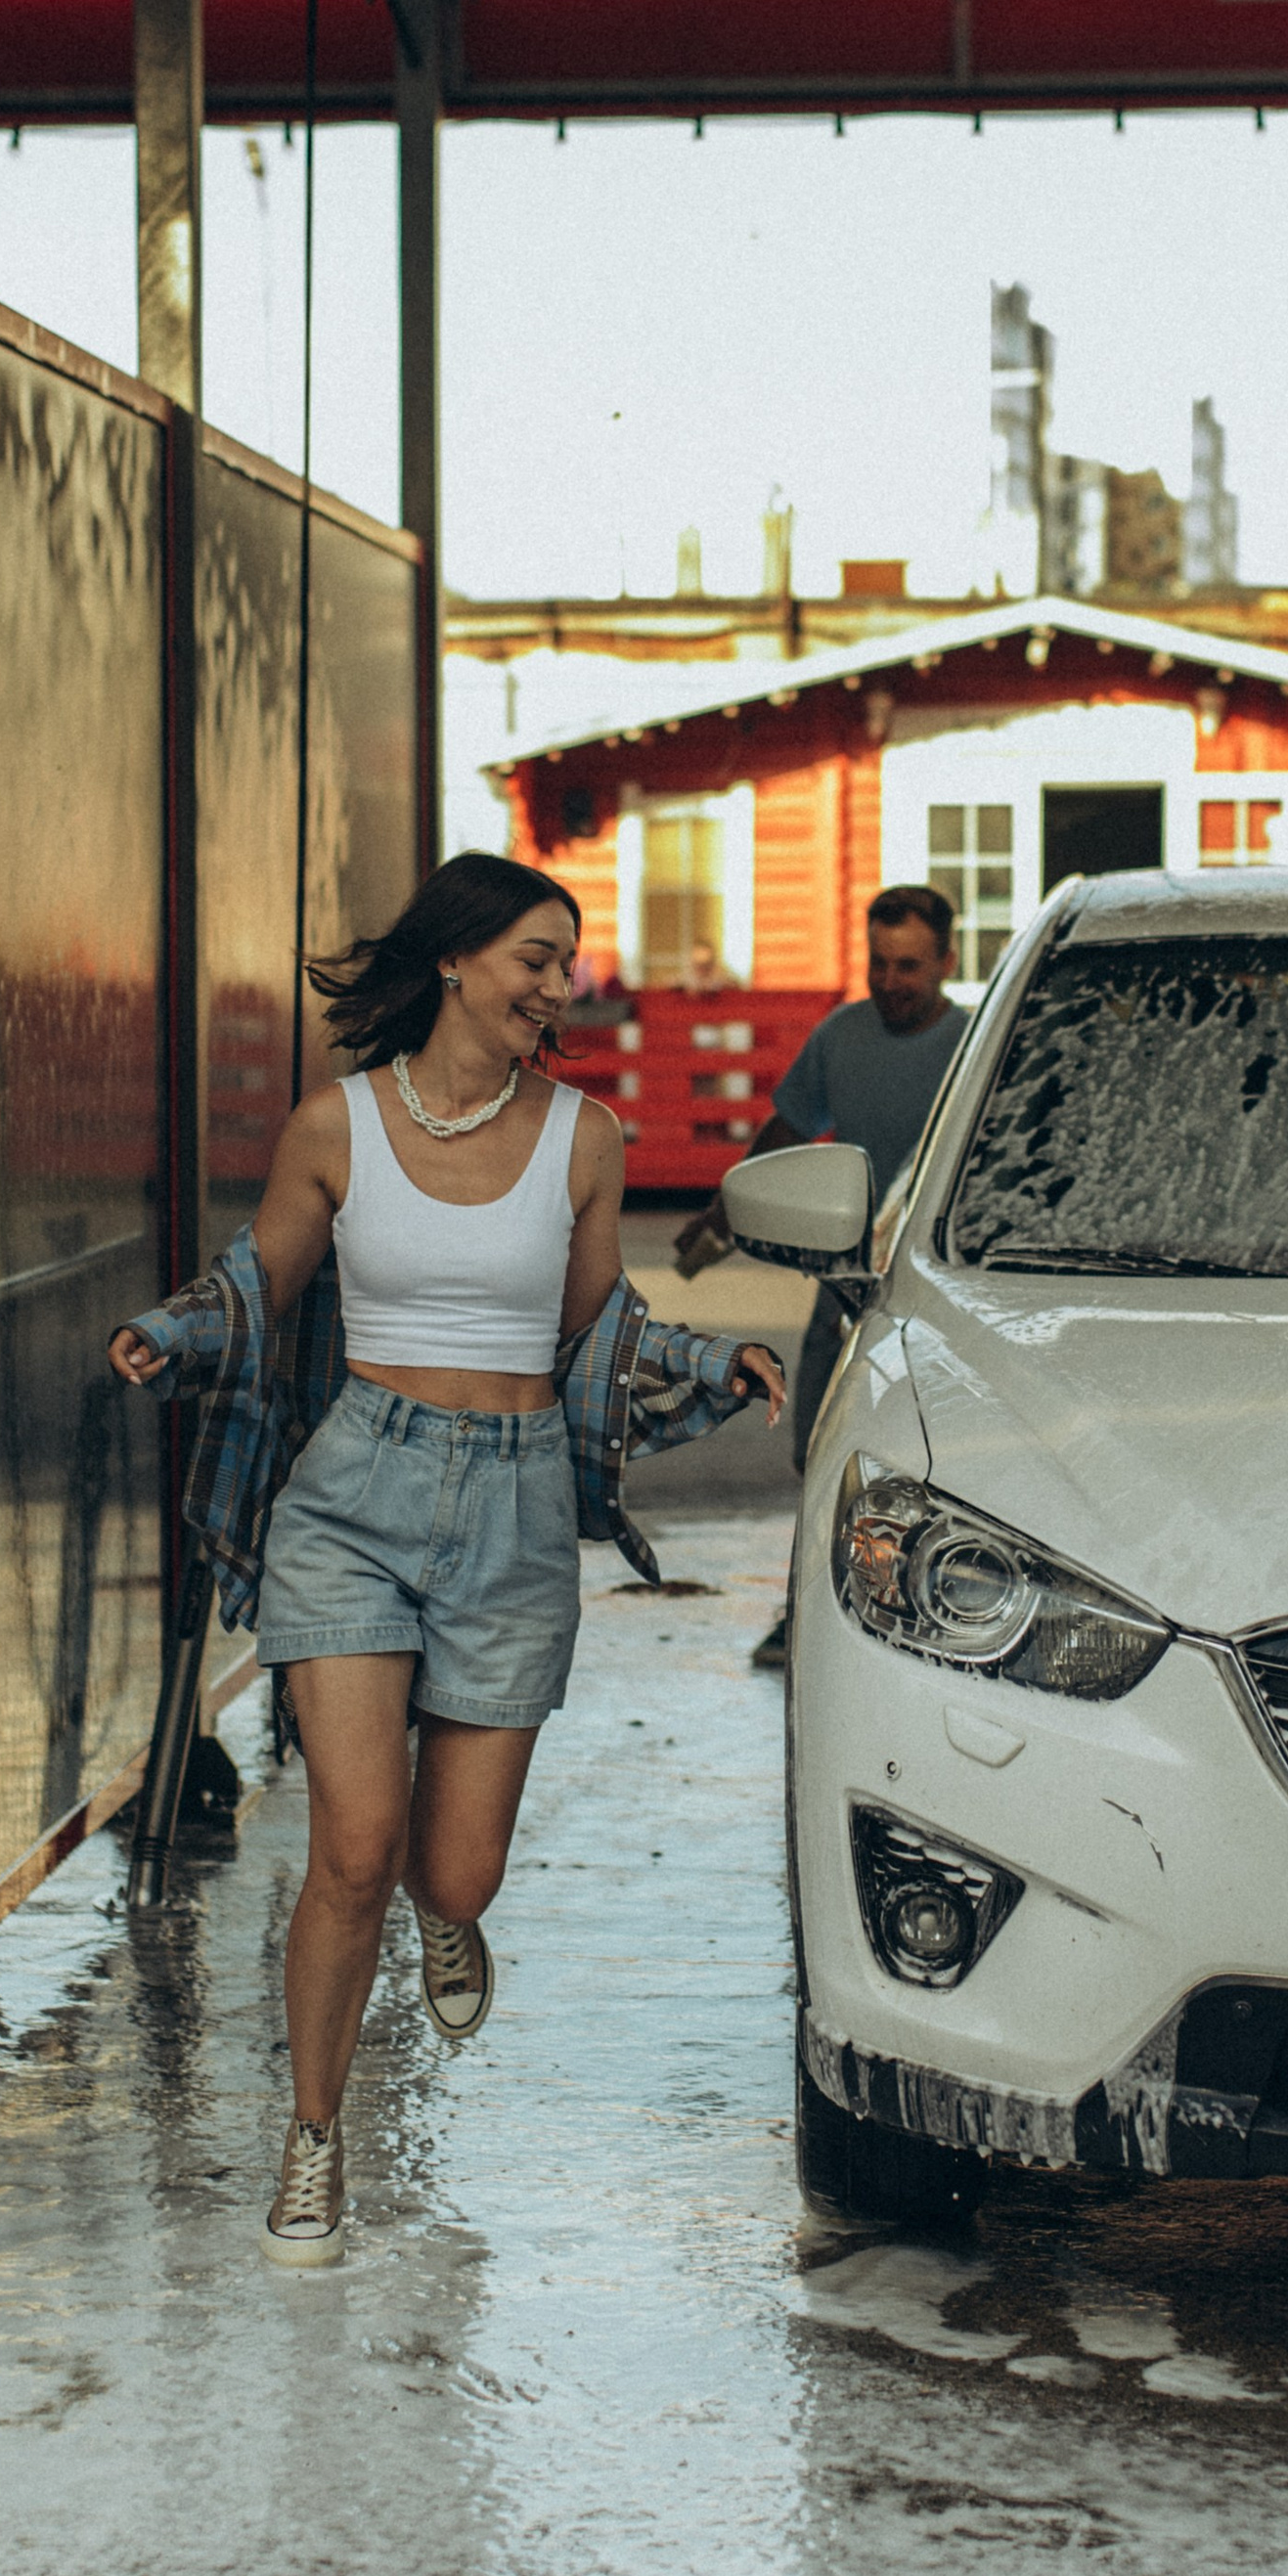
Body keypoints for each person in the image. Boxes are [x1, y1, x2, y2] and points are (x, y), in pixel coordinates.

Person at [111, 852, 785, 2268]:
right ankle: (312, 2140)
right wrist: (172, 1335)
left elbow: (604, 1330)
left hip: (517, 1509)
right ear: (461, 960)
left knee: (454, 1873)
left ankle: (450, 1921)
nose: (561, 983)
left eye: (567, 960)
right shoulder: (335, 1126)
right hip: (355, 1495)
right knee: (352, 1847)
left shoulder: (584, 1141)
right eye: (540, 955)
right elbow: (258, 1284)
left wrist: (712, 1361)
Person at [674, 885, 968, 1670]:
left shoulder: (973, 1048)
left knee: (927, 1464)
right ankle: (803, 1610)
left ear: (948, 960)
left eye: (910, 965)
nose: (892, 980)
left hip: (943, 1289)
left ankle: (913, 1617)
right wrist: (724, 1208)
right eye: (879, 963)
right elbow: (788, 1130)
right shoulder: (842, 1035)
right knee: (819, 1452)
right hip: (843, 1280)